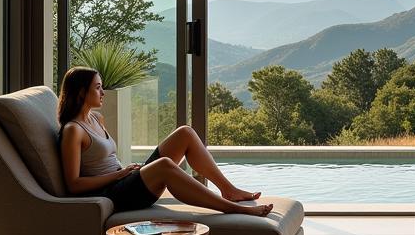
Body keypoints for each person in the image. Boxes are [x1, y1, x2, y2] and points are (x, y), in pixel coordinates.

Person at [58, 66, 273, 216]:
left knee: (185, 133)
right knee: (163, 166)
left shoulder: (96, 118)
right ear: (80, 92)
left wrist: (125, 173)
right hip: (114, 194)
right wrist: (120, 174)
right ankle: (230, 208)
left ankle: (229, 190)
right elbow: (73, 185)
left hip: (124, 180)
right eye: (97, 87)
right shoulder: (73, 131)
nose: (103, 92)